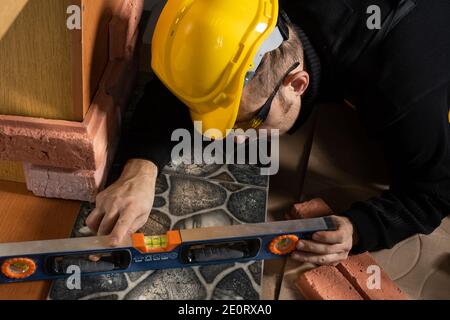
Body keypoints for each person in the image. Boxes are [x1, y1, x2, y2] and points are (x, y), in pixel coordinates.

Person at [86, 0, 450, 266]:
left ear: (298, 83)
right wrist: (141, 167)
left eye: (249, 121)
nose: (234, 139)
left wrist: (361, 228)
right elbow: (192, 82)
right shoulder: (244, 13)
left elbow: (434, 191)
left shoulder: (400, 91)